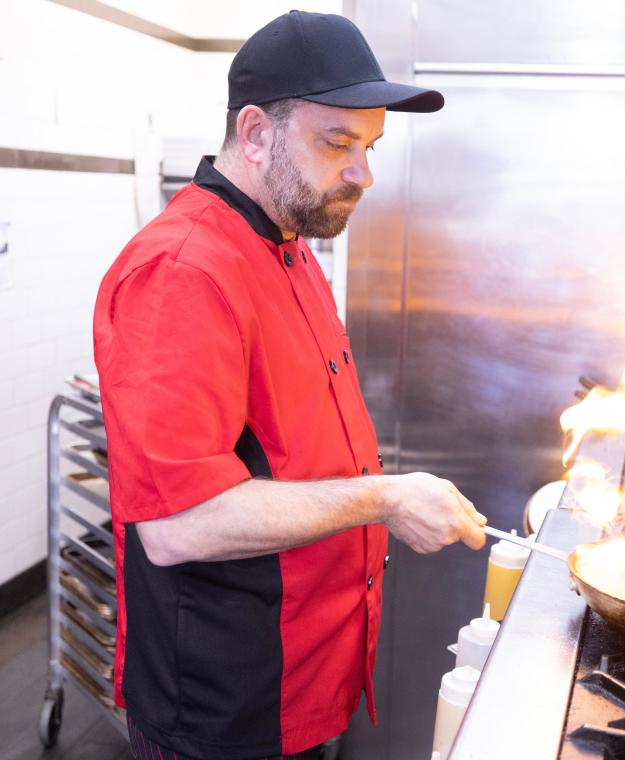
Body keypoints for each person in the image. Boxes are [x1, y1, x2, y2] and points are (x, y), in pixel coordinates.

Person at [93, 11, 486, 760]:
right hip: (227, 710)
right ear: (255, 133)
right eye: (337, 142)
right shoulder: (184, 271)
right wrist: (384, 497)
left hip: (305, 682)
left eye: (369, 146)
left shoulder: (287, 247)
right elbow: (177, 527)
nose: (363, 172)